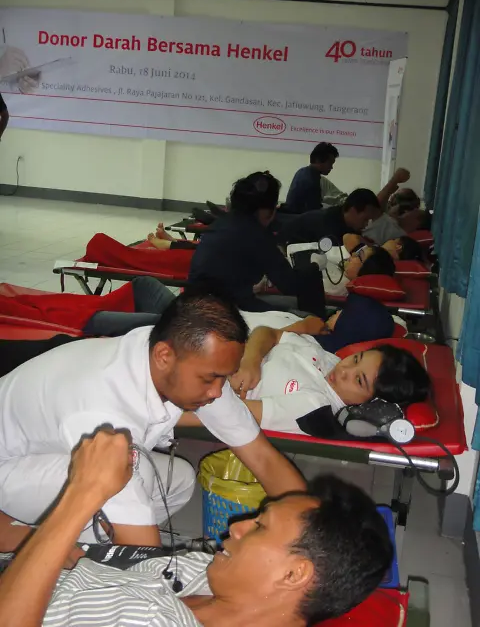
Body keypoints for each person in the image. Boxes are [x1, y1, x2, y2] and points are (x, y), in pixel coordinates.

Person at [0, 289, 305, 547]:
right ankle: (55, 549)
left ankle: (91, 547)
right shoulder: (102, 408)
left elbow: (262, 458)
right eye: (211, 379)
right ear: (163, 357)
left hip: (46, 454)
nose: (217, 392)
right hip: (8, 470)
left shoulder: (180, 358)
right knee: (132, 476)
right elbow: (145, 555)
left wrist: (310, 531)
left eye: (223, 378)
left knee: (178, 480)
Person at [0, 428, 393, 627]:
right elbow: (90, 563)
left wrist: (81, 496)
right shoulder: (207, 576)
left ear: (294, 573)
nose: (237, 527)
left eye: (259, 528)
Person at [180, 310, 431, 436]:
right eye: (356, 359)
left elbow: (229, 414)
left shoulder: (314, 407)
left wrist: (165, 415)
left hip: (190, 374)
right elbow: (270, 333)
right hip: (211, 340)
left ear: (371, 404)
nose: (344, 369)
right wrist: (251, 360)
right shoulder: (330, 360)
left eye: (358, 380)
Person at [188, 171, 327, 315]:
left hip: (194, 305)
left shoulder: (221, 223)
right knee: (307, 317)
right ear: (267, 211)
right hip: (224, 312)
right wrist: (314, 266)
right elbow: (290, 285)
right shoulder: (257, 235)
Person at [277, 188, 382, 247]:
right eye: (365, 219)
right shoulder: (329, 225)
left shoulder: (345, 220)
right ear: (353, 210)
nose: (366, 224)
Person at [284, 142, 340, 213]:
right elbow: (313, 213)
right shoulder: (311, 182)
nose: (331, 167)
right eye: (330, 163)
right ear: (318, 160)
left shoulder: (302, 171)